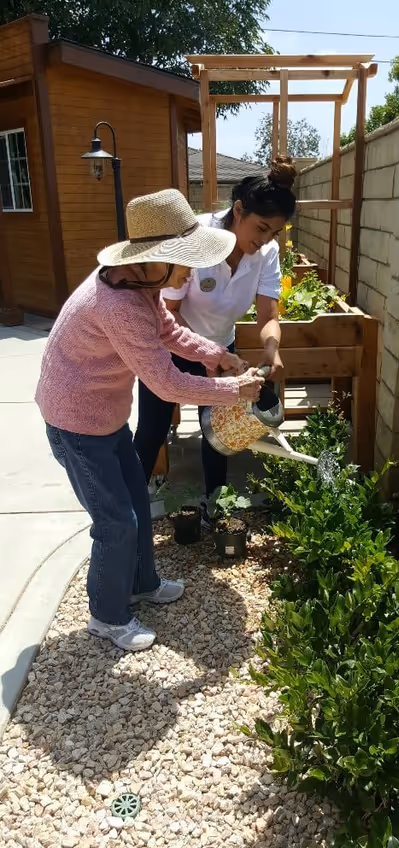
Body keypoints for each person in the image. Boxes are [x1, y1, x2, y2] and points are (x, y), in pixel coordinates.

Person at [35, 189, 264, 653]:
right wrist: (231, 390)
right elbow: (165, 383)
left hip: (105, 417)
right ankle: (107, 615)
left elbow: (171, 332)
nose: (189, 272)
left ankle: (141, 584)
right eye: (183, 261)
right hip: (76, 426)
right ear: (153, 257)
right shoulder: (118, 305)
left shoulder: (139, 286)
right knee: (115, 520)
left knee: (138, 502)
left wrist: (217, 356)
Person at [134, 156, 297, 519]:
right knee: (152, 428)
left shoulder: (266, 253)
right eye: (261, 228)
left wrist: (272, 349)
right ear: (238, 210)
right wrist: (209, 354)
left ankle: (216, 506)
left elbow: (269, 314)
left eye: (274, 233)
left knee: (218, 432)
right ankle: (131, 508)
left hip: (223, 348)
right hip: (171, 345)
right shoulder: (198, 240)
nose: (265, 239)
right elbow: (169, 314)